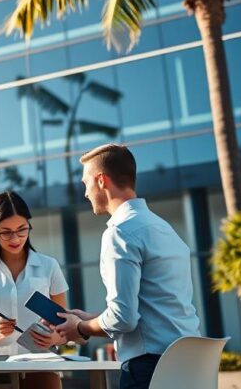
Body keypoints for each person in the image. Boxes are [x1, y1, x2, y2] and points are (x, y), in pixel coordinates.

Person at [55, 144, 200, 389]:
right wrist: (92, 318)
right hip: (189, 364)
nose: (85, 193)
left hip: (150, 369)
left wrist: (79, 327)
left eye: (85, 183)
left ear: (101, 181)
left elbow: (124, 319)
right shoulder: (163, 228)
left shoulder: (120, 232)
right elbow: (153, 308)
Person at [0, 191, 69, 389]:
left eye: (22, 229)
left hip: (41, 368)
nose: (15, 238)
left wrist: (54, 338)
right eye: (6, 232)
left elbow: (66, 327)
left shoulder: (49, 266)